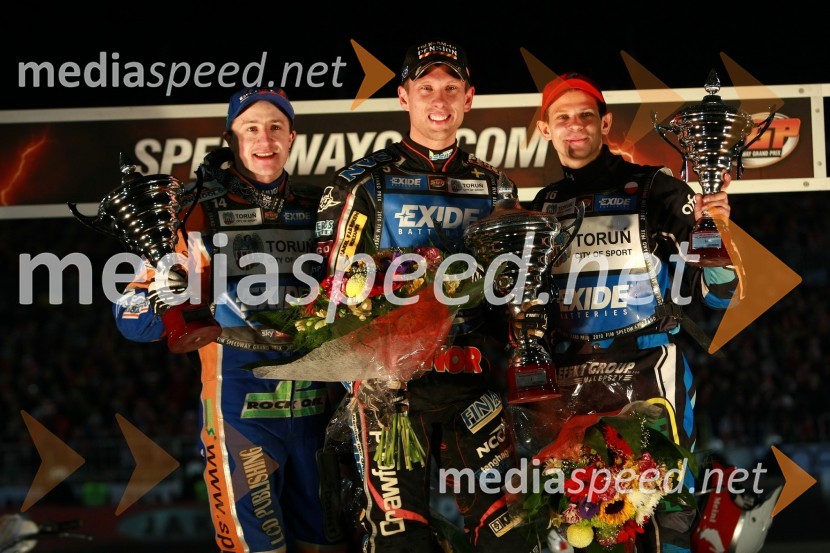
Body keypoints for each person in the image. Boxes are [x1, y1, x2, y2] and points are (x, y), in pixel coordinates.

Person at [315, 40, 539, 552]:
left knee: (509, 534)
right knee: (399, 539)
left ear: (469, 98)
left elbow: (516, 287)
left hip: (472, 383)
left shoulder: (496, 186)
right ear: (404, 98)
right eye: (426, 88)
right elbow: (332, 285)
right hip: (390, 392)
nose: (439, 100)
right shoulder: (364, 181)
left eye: (451, 89)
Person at [113, 86, 346, 553]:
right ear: (230, 138)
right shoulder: (195, 212)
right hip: (242, 414)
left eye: (276, 127)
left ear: (293, 136)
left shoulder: (322, 207)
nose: (265, 139)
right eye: (251, 128)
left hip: (318, 415)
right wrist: (167, 294)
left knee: (329, 545)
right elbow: (131, 319)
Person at [529, 73, 740, 553]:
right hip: (572, 374)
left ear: (605, 123)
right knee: (581, 520)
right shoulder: (545, 206)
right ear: (546, 130)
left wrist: (719, 236)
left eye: (586, 115)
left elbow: (717, 293)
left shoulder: (655, 190)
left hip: (646, 369)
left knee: (666, 515)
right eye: (563, 118)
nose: (575, 126)